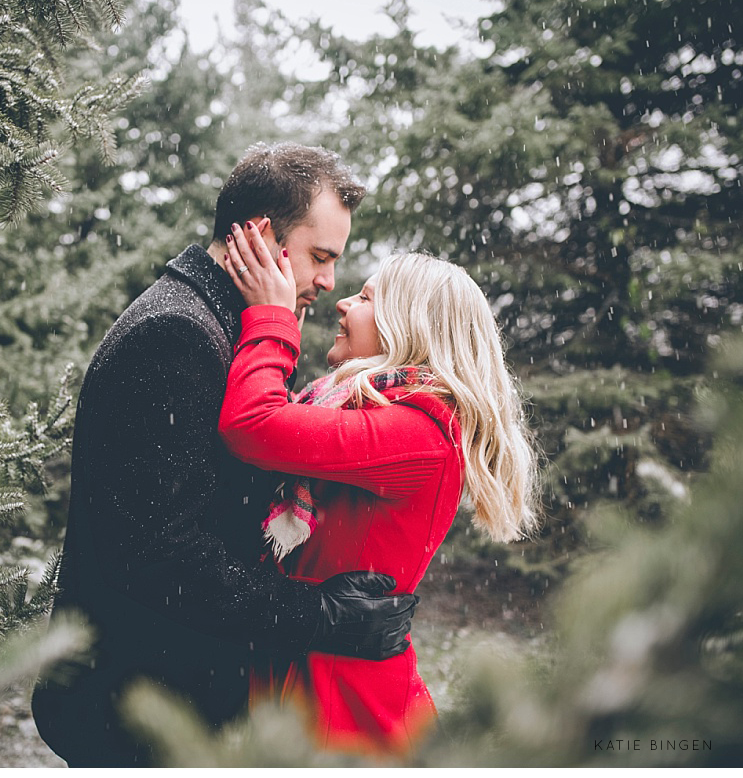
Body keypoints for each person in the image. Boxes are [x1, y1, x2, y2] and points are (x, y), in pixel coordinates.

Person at [31, 143, 417, 767]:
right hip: (134, 709)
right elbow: (158, 553)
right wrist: (320, 616)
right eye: (320, 257)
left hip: (172, 698)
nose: (328, 283)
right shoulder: (177, 334)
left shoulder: (227, 327)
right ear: (261, 237)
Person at [217, 221, 540, 752]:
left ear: (406, 327)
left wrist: (274, 321)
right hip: (309, 682)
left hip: (348, 709)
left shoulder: (421, 433)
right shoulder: (360, 409)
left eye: (366, 297)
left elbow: (253, 423)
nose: (343, 303)